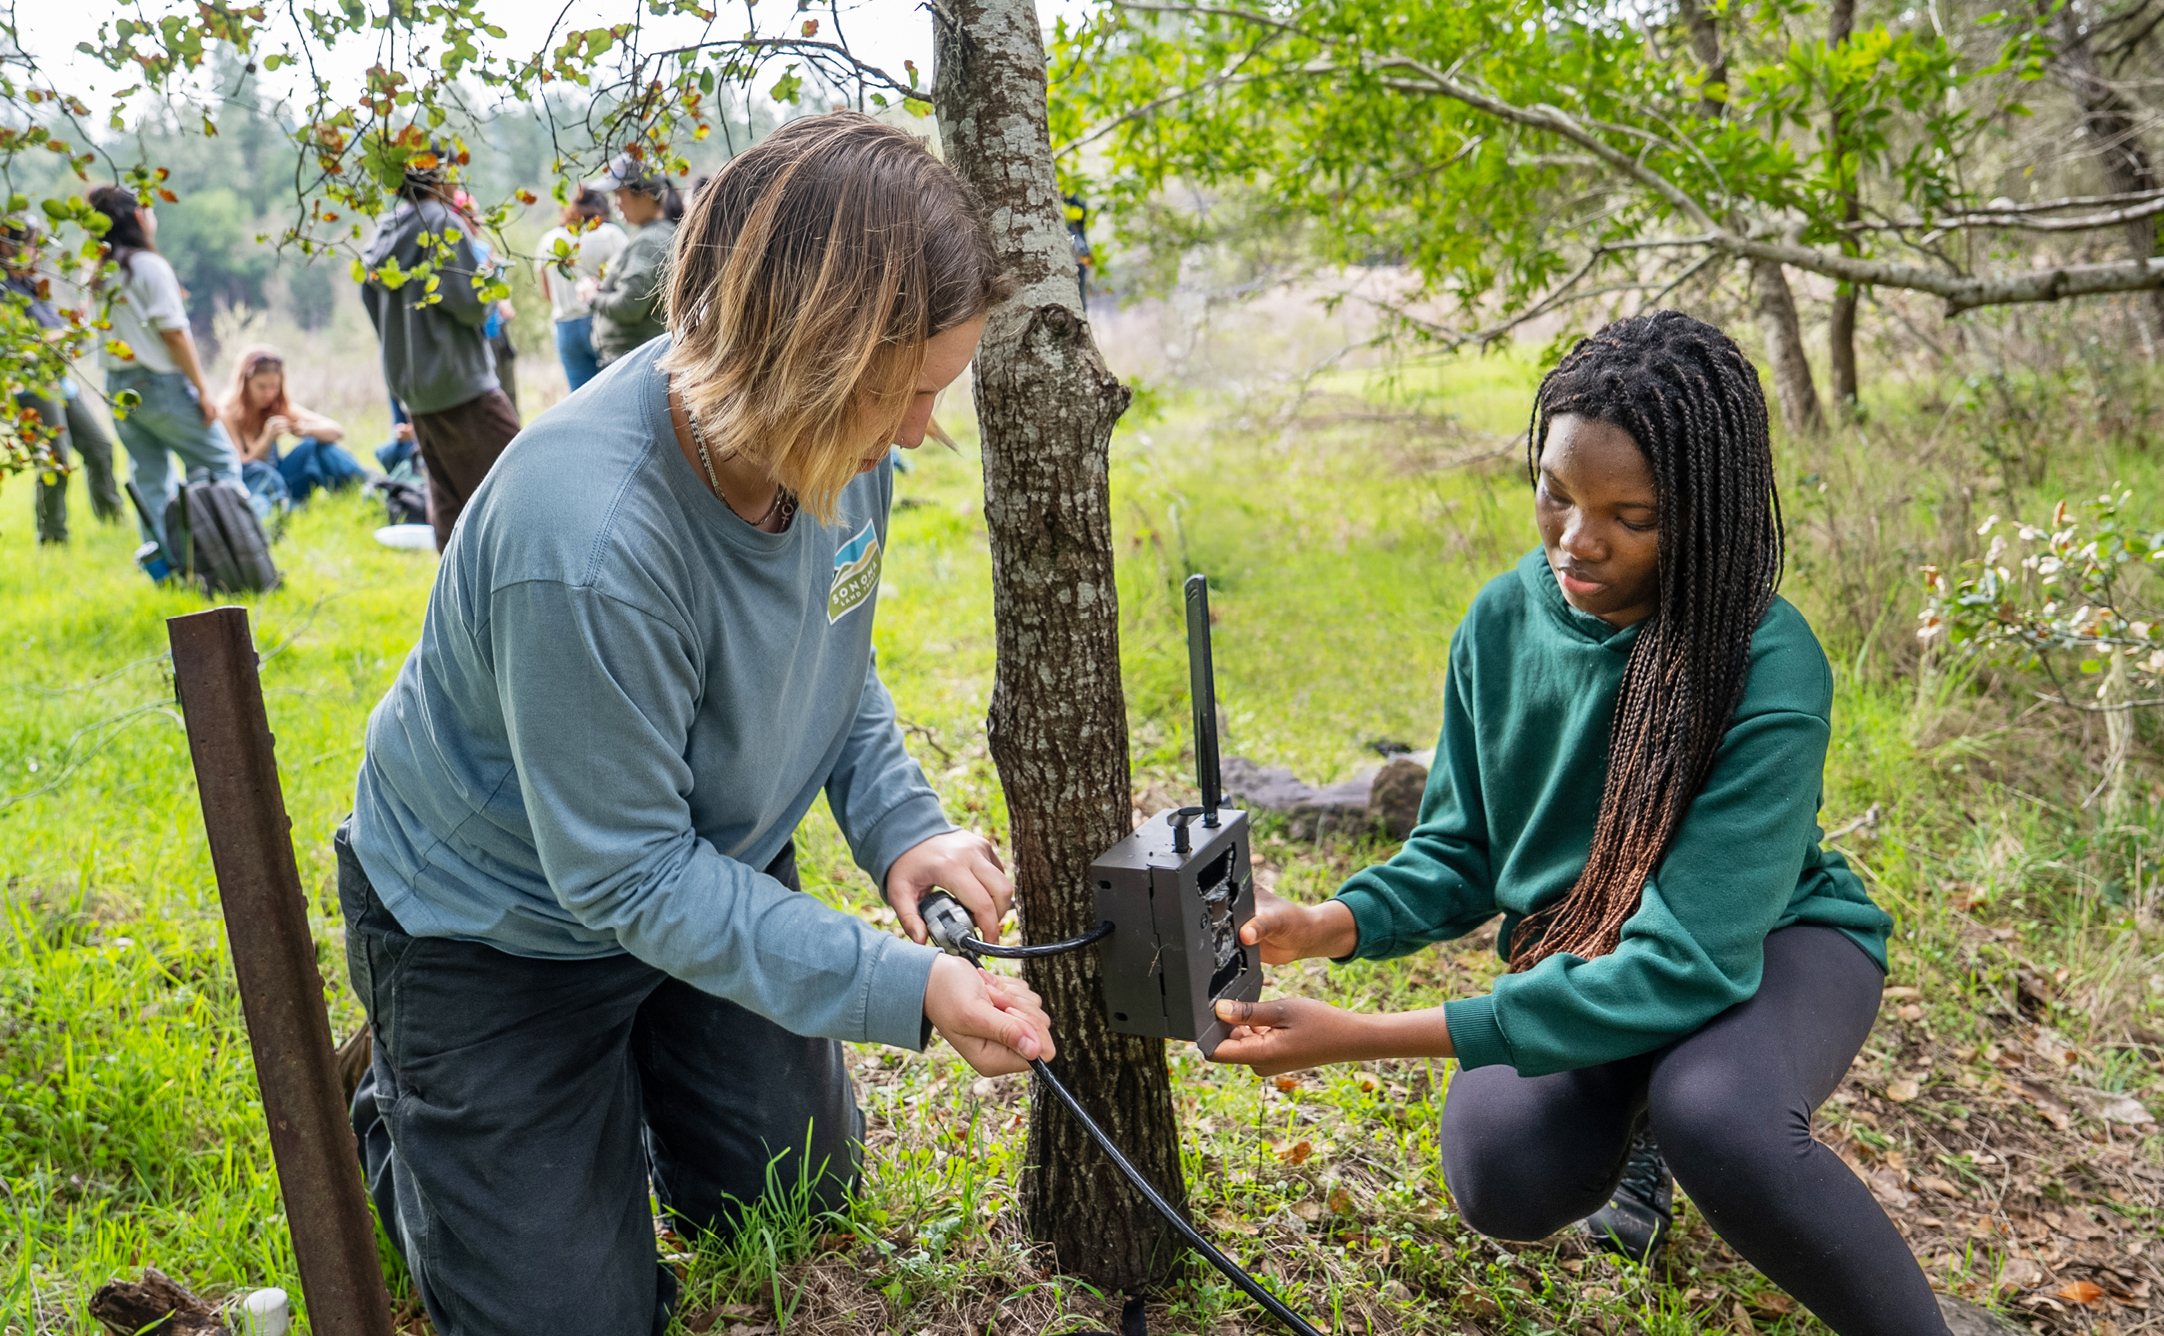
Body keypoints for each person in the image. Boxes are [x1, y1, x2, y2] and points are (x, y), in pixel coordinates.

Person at [338, 112, 1042, 1336]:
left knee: (795, 1193)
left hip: (695, 863)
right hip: (498, 929)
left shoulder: (841, 432)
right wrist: (905, 981)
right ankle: (408, 1109)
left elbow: (833, 641)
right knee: (569, 1321)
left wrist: (900, 827)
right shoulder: (586, 542)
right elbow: (623, 874)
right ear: (804, 359)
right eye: (907, 394)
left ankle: (626, 1077)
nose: (921, 430)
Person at [1206, 313, 1949, 1336]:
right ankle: (1640, 1090)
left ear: (1700, 514)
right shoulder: (1503, 620)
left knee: (1718, 1115)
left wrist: (1365, 1038)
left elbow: (1686, 958)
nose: (1574, 538)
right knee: (1499, 1169)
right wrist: (1332, 922)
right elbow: (1463, 846)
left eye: (1628, 515)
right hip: (1588, 946)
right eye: (1555, 494)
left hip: (1771, 944)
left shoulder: (1764, 662)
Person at [361, 155, 520, 552]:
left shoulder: (383, 231)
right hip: (463, 384)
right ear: (437, 175)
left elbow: (373, 306)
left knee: (449, 507)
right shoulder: (442, 224)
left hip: (416, 393)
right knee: (521, 484)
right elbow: (469, 303)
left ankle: (458, 607)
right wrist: (489, 279)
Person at [85, 184, 249, 558]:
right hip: (159, 384)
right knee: (218, 462)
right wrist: (202, 390)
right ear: (139, 217)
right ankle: (237, 555)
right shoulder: (148, 266)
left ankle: (171, 567)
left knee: (150, 478)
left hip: (117, 388)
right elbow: (174, 333)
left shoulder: (100, 271)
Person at [4, 224, 121, 541]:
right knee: (55, 462)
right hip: (29, 388)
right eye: (31, 246)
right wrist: (57, 338)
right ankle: (53, 538)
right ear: (8, 248)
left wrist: (71, 337)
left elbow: (54, 333)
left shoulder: (32, 286)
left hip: (58, 383)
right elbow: (16, 346)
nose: (37, 252)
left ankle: (114, 523)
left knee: (100, 447)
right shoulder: (3, 293)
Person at [219, 344, 367, 507]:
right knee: (263, 479)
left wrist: (306, 429)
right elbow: (243, 467)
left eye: (274, 387)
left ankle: (368, 484)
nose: (269, 394)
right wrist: (266, 439)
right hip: (254, 486)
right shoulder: (227, 413)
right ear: (245, 383)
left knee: (313, 446)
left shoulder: (277, 408)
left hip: (282, 477)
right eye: (262, 387)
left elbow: (336, 431)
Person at [587, 154, 680, 368]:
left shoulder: (650, 241)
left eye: (619, 193)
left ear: (645, 193)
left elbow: (630, 306)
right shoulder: (657, 234)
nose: (614, 203)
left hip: (633, 362)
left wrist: (593, 297)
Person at [537, 186, 628, 392]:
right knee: (615, 395)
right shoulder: (610, 234)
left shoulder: (548, 240)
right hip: (601, 322)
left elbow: (547, 293)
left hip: (565, 328)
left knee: (581, 400)